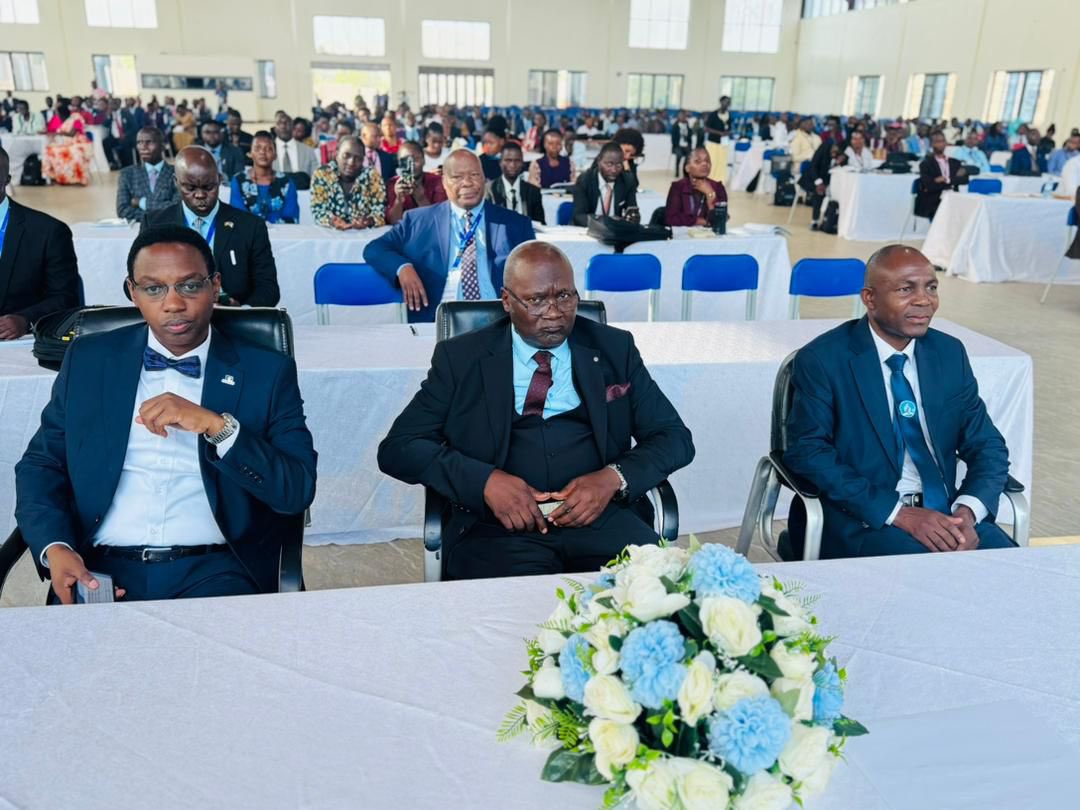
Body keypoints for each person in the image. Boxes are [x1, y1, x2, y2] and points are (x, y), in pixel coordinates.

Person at [15, 225, 317, 603]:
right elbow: (41, 465)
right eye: (154, 288)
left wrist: (218, 427)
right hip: (99, 569)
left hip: (216, 572)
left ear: (215, 285)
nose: (173, 303)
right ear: (132, 292)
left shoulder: (266, 372)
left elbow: (296, 489)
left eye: (190, 285)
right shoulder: (90, 361)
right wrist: (55, 547)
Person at [377, 241, 695, 579]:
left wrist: (612, 478)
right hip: (497, 531)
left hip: (604, 520)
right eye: (536, 300)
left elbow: (674, 439)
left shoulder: (614, 348)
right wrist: (485, 482)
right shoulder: (462, 358)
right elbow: (399, 448)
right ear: (507, 300)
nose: (555, 312)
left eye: (565, 296)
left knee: (647, 610)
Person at [783, 245, 1016, 559]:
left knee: (1017, 575)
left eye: (931, 287)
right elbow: (808, 452)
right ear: (869, 299)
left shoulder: (948, 354)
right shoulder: (824, 359)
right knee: (930, 584)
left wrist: (968, 511)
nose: (923, 300)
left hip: (947, 516)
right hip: (865, 520)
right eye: (906, 289)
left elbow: (988, 444)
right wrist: (899, 513)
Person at [363, 150, 536, 323]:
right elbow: (374, 249)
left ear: (484, 177)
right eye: (457, 177)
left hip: (500, 322)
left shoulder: (516, 224)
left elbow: (535, 274)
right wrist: (403, 268)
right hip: (439, 321)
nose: (467, 183)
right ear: (444, 182)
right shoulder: (418, 221)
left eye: (474, 174)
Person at [142, 146, 280, 307]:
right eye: (190, 188)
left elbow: (268, 289)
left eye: (208, 187)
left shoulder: (250, 226)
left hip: (233, 321)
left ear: (219, 179)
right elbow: (136, 282)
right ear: (176, 182)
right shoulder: (154, 224)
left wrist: (243, 312)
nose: (200, 195)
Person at [0, 147, 79, 339]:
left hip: (19, 343)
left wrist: (25, 320)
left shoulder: (48, 231)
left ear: (7, 180)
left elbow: (65, 298)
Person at [310, 136, 386, 231]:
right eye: (346, 156)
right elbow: (318, 210)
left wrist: (368, 221)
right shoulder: (322, 174)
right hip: (331, 235)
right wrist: (332, 221)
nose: (351, 162)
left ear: (363, 160)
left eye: (358, 158)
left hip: (364, 235)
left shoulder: (372, 177)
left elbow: (380, 212)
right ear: (336, 154)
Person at [229, 131, 300, 225]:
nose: (262, 152)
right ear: (250, 153)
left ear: (275, 155)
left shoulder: (286, 182)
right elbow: (237, 215)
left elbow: (291, 217)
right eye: (257, 148)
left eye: (268, 149)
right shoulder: (239, 180)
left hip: (281, 235)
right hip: (248, 236)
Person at [116, 127, 180, 223]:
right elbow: (122, 210)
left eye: (149, 142)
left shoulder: (177, 173)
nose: (143, 147)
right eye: (139, 142)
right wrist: (159, 213)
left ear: (163, 146)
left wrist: (141, 202)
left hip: (169, 231)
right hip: (138, 232)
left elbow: (177, 208)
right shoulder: (127, 174)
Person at [570, 142, 639, 226]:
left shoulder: (627, 181)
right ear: (599, 161)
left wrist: (633, 218)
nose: (614, 170)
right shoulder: (584, 180)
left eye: (618, 165)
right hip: (587, 230)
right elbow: (579, 216)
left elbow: (632, 211)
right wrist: (604, 223)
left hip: (614, 233)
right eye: (609, 164)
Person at [385, 140, 447, 225]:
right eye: (405, 160)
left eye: (415, 159)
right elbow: (393, 222)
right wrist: (399, 200)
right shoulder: (393, 184)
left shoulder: (437, 181)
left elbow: (440, 219)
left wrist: (421, 198)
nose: (411, 164)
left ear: (424, 160)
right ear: (399, 163)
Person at [664, 147, 726, 227]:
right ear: (687, 168)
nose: (704, 164)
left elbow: (720, 220)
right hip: (682, 236)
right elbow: (671, 219)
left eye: (707, 161)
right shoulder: (678, 187)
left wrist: (710, 194)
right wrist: (700, 221)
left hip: (710, 237)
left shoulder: (718, 187)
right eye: (698, 161)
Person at [486, 141, 544, 224]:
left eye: (517, 160)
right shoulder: (489, 190)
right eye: (508, 160)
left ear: (522, 163)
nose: (512, 165)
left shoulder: (533, 192)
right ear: (500, 163)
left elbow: (541, 224)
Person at [914, 131, 968, 221]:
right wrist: (953, 181)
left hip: (954, 197)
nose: (941, 144)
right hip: (934, 199)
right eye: (937, 141)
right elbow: (929, 185)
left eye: (942, 141)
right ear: (932, 144)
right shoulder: (926, 164)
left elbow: (964, 180)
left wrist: (946, 179)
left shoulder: (955, 162)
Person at [801, 140, 847, 230]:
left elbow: (838, 170)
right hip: (813, 178)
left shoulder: (842, 155)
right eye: (833, 151)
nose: (834, 153)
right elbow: (813, 167)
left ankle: (828, 220)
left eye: (836, 152)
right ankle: (815, 220)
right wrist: (819, 182)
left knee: (836, 195)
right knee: (819, 193)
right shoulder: (822, 149)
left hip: (829, 181)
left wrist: (838, 163)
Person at [272, 111, 319, 180]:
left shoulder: (308, 151)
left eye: (286, 123)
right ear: (275, 128)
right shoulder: (267, 151)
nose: (283, 126)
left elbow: (315, 178)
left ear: (292, 127)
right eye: (279, 123)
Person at [671, 109, 694, 178]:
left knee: (688, 157)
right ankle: (677, 170)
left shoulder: (687, 125)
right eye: (681, 116)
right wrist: (675, 146)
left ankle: (685, 172)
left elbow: (690, 136)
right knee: (679, 155)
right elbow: (673, 138)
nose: (682, 117)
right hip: (678, 146)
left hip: (686, 145)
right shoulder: (675, 126)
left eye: (684, 116)